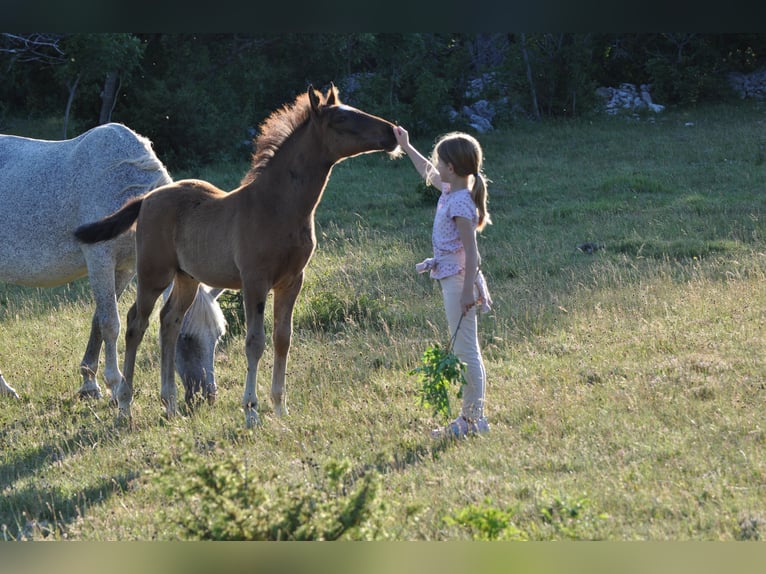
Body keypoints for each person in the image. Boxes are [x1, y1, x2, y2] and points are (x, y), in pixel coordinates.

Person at [394, 126, 493, 439]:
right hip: (452, 278)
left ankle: (472, 422)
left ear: (451, 168)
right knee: (466, 348)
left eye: (440, 162)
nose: (435, 166)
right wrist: (407, 146)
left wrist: (467, 292)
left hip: (459, 281)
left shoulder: (461, 203)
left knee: (467, 352)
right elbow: (427, 171)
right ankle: (472, 419)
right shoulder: (453, 190)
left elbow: (473, 253)